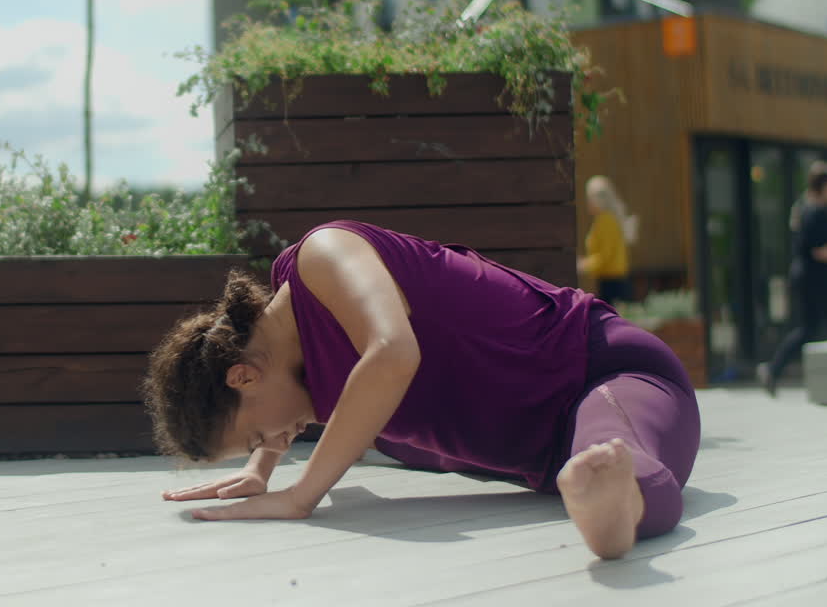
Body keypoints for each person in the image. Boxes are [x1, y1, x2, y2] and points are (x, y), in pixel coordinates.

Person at [143, 220, 701, 560]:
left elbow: (393, 351)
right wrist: (260, 469)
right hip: (544, 458)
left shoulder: (324, 255)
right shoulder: (299, 371)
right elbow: (299, 394)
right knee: (401, 443)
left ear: (242, 374)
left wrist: (299, 495)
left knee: (616, 456)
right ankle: (589, 481)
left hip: (606, 376)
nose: (283, 438)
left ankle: (615, 510)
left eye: (261, 433)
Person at [758, 162, 827, 396]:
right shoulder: (815, 212)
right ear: (824, 186)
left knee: (808, 329)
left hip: (809, 277)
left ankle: (773, 369)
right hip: (817, 279)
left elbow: (820, 245)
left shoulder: (805, 209)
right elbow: (818, 250)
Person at [578, 175, 638, 306]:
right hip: (612, 281)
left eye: (589, 198)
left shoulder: (605, 220)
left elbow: (605, 256)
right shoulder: (607, 219)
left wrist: (584, 265)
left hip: (612, 283)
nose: (587, 202)